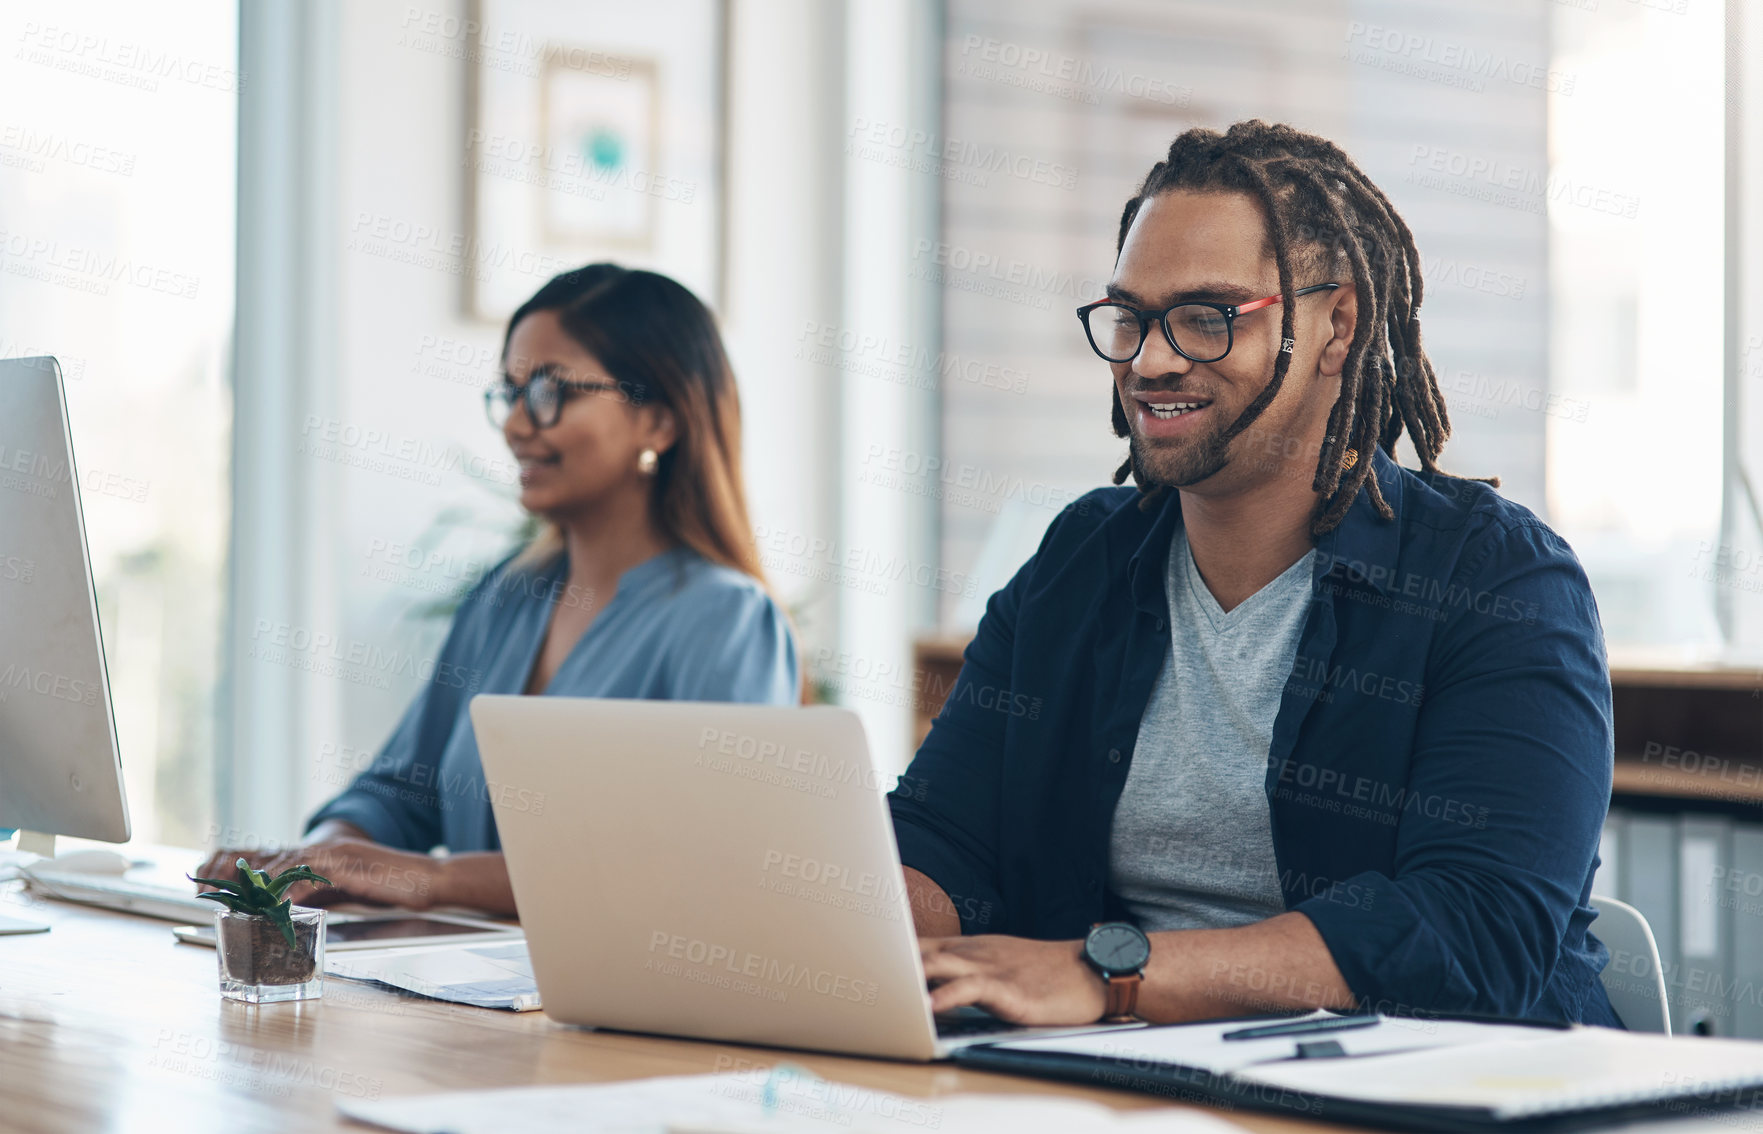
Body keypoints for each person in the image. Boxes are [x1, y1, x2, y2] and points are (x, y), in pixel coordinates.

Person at [893, 120, 1619, 1028]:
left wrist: (1105, 974)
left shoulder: (1498, 581)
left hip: (1431, 1090)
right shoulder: (1078, 562)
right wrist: (840, 925)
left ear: (1336, 324)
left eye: (1205, 318)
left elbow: (1471, 933)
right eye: (1131, 318)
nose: (1152, 361)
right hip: (1124, 1084)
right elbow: (943, 836)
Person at [201, 264, 798, 915]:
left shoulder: (726, 619)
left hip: (616, 1011)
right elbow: (400, 793)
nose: (516, 424)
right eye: (509, 393)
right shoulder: (509, 596)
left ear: (659, 421)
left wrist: (431, 879)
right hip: (463, 996)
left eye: (548, 392)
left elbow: (702, 866)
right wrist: (318, 859)